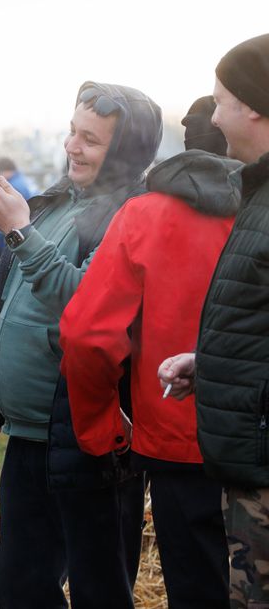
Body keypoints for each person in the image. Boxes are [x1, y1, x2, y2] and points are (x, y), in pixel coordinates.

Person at [0, 81, 163, 608]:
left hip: (90, 438)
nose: (71, 147)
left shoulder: (130, 216)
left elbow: (86, 303)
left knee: (99, 591)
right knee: (21, 589)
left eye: (91, 140)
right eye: (72, 132)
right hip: (31, 433)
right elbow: (23, 306)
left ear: (122, 152)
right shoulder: (59, 203)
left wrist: (17, 231)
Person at [60, 141, 237, 608]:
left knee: (200, 586)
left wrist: (103, 430)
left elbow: (87, 335)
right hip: (252, 429)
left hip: (177, 439)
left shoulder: (145, 214)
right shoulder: (256, 210)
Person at [158, 32, 269, 607]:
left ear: (253, 104)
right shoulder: (259, 192)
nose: (215, 116)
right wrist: (214, 362)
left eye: (221, 100)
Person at [0, 157, 36, 269]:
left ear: (2, 172)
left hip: (22, 232)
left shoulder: (12, 187)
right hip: (36, 230)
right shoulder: (25, 180)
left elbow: (6, 218)